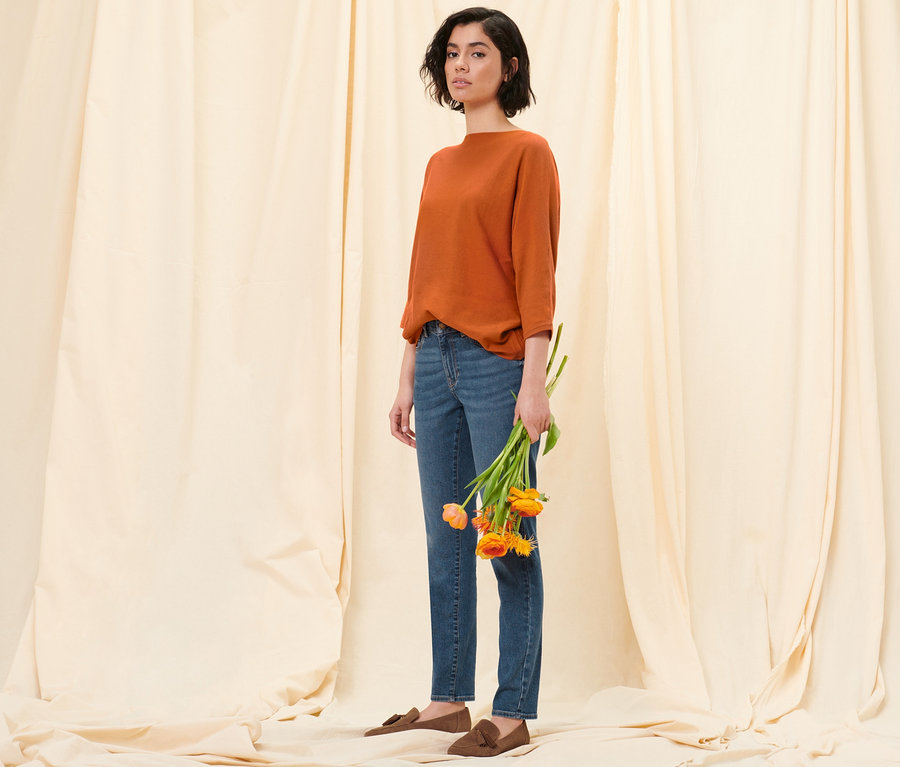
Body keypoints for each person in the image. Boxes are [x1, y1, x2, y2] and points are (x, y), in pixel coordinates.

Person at [365, 6, 560, 758]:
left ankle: (512, 709)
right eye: (452, 53)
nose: (461, 66)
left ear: (508, 67)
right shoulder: (439, 165)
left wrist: (534, 382)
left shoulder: (528, 154)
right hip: (437, 358)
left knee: (508, 536)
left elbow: (536, 274)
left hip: (498, 363)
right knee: (443, 536)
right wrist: (408, 370)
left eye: (479, 53)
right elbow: (426, 274)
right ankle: (449, 699)